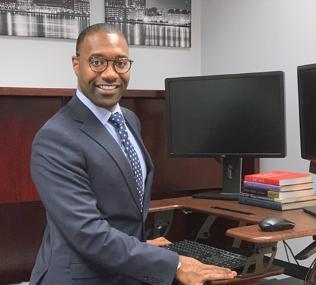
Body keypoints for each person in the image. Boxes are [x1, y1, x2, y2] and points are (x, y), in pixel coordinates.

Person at [29, 23, 237, 285]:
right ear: (75, 64)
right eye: (97, 62)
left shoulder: (128, 120)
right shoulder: (56, 138)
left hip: (125, 270)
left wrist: (142, 246)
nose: (110, 74)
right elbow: (87, 233)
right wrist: (176, 264)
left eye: (120, 63)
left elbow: (121, 206)